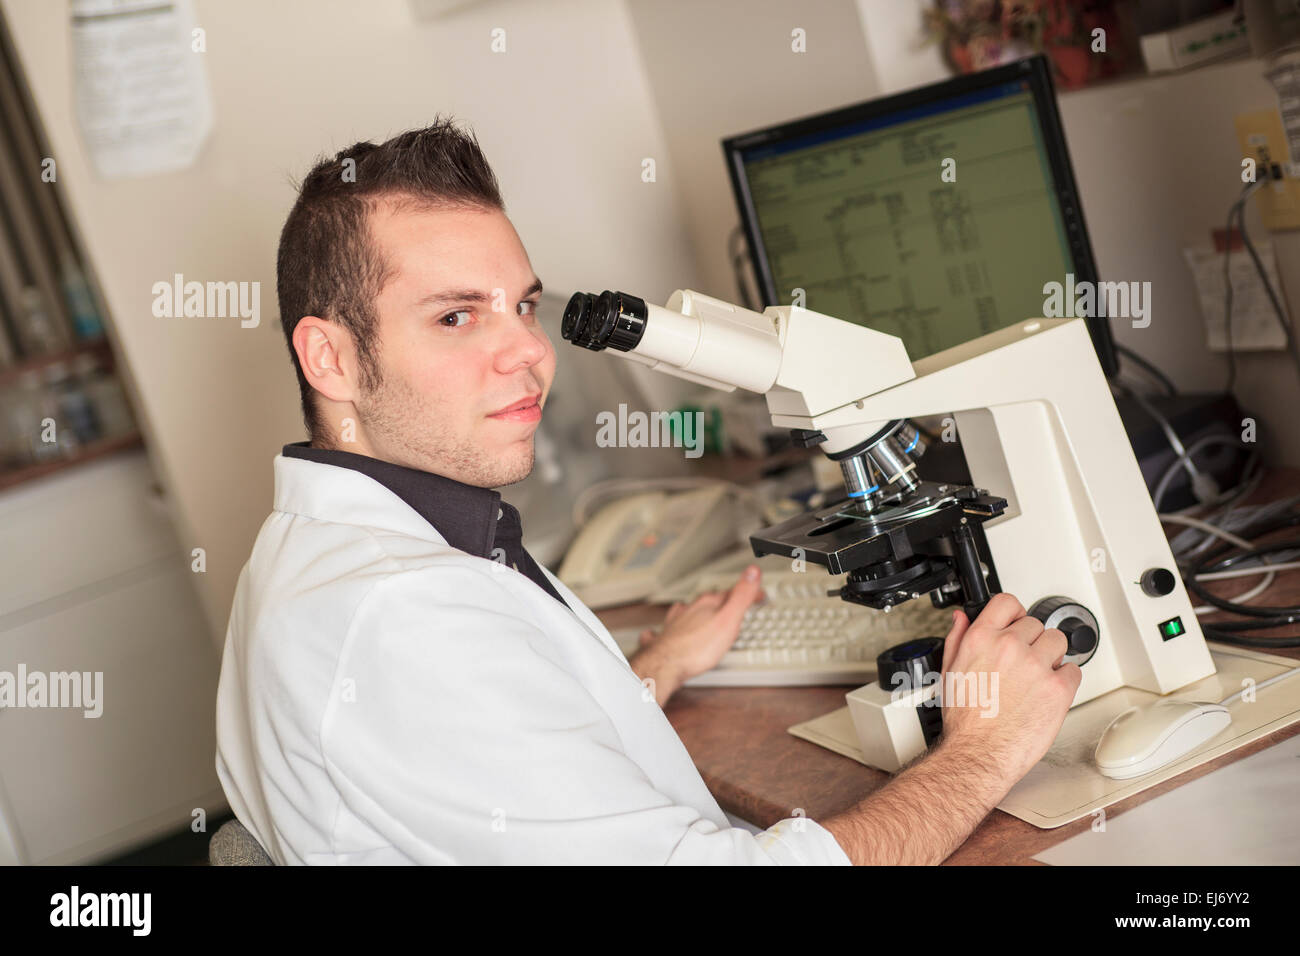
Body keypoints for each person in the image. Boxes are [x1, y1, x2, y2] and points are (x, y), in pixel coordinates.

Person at [214, 118, 1080, 865]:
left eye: (524, 305)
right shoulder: (397, 620)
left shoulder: (325, 547)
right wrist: (986, 747)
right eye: (456, 316)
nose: (530, 351)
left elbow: (491, 761)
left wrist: (642, 676)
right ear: (331, 358)